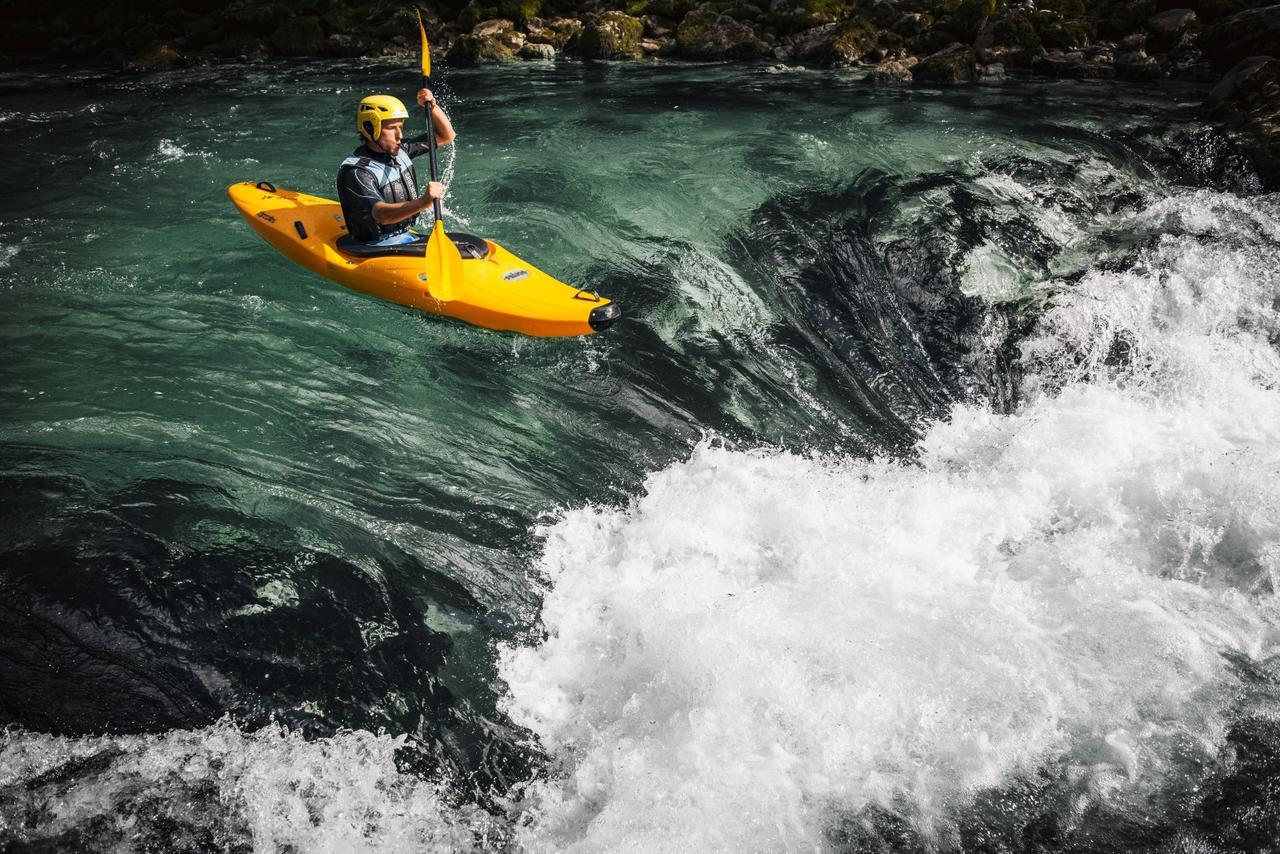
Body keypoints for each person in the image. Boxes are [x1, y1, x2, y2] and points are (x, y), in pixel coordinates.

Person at [337, 89, 456, 246]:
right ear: (371, 127)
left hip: (405, 236)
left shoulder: (401, 150)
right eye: (392, 128)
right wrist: (423, 202)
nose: (399, 135)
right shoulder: (357, 172)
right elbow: (381, 215)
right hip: (373, 247)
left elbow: (446, 136)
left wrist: (432, 107)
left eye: (401, 127)